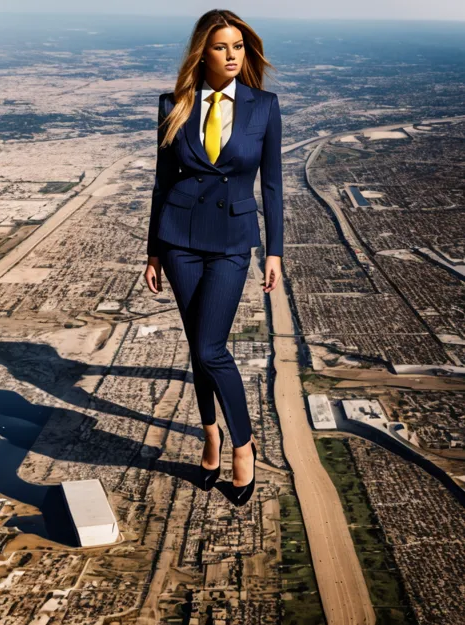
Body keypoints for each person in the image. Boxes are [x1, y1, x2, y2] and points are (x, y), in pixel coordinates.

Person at [144, 9, 283, 506]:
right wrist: (154, 250)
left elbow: (272, 185)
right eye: (222, 46)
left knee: (209, 349)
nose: (232, 56)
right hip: (178, 238)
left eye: (239, 47)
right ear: (202, 51)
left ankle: (242, 445)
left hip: (231, 243)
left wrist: (274, 252)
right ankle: (211, 436)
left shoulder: (263, 106)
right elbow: (163, 181)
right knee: (197, 344)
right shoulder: (173, 103)